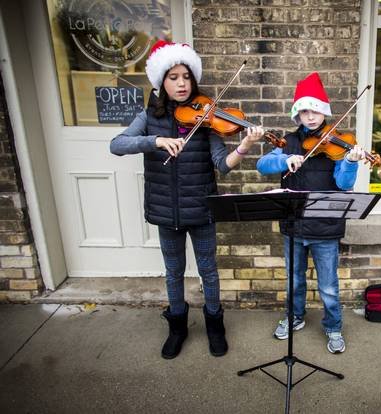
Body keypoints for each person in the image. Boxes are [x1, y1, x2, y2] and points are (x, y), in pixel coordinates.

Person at [110, 40, 264, 359]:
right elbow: (117, 144)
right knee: (174, 272)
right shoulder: (149, 118)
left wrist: (245, 146)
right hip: (166, 211)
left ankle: (214, 326)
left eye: (186, 77)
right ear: (161, 82)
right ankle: (177, 327)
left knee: (208, 269)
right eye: (173, 77)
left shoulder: (204, 118)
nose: (181, 84)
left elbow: (222, 164)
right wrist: (156, 140)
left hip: (202, 209)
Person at [256, 72, 364, 354]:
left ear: (324, 110)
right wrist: (284, 159)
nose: (311, 116)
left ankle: (333, 326)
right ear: (298, 114)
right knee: (294, 280)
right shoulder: (289, 142)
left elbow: (344, 184)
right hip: (293, 225)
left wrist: (351, 161)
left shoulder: (339, 144)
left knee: (328, 285)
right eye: (305, 110)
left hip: (325, 227)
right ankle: (295, 317)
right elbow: (262, 164)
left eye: (315, 109)